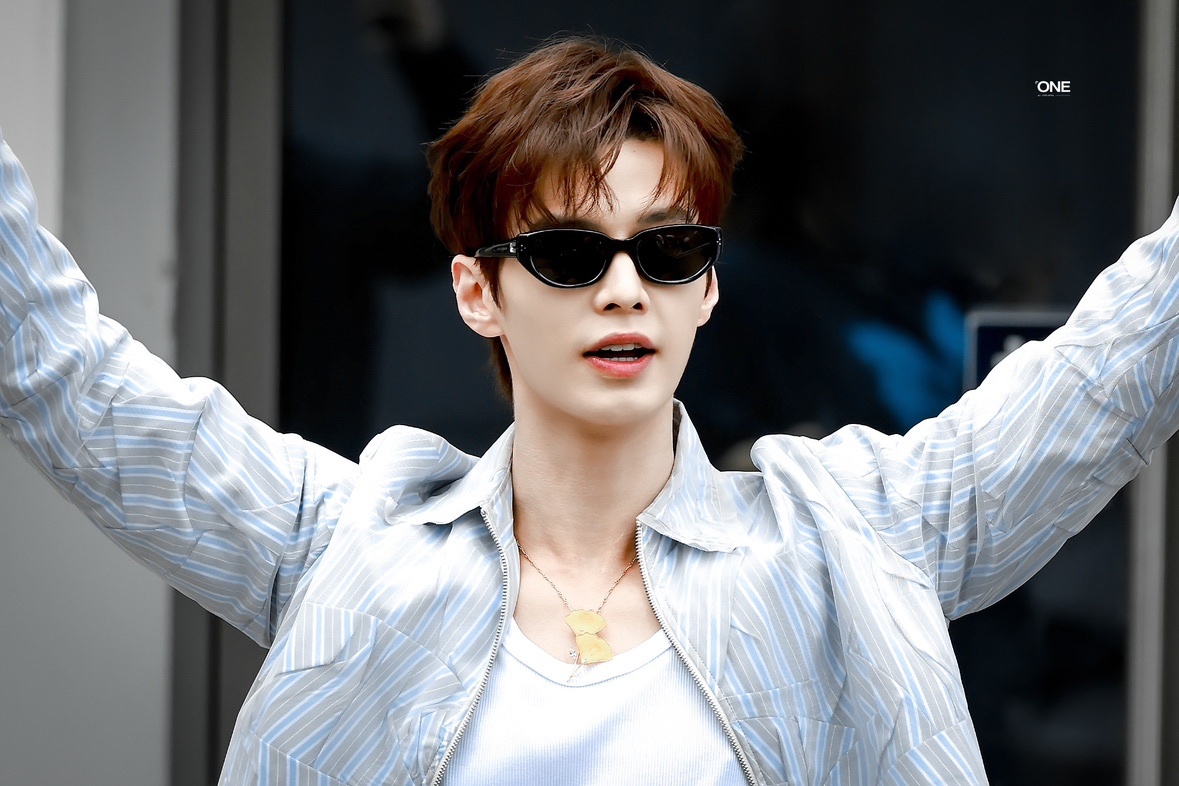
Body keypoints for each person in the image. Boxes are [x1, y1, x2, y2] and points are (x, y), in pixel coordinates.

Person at [1, 36, 1177, 786]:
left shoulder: (854, 536)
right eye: (569, 252)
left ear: (707, 287)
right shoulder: (346, 539)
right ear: (478, 292)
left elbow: (1115, 368)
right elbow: (62, 371)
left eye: (667, 250)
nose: (624, 288)